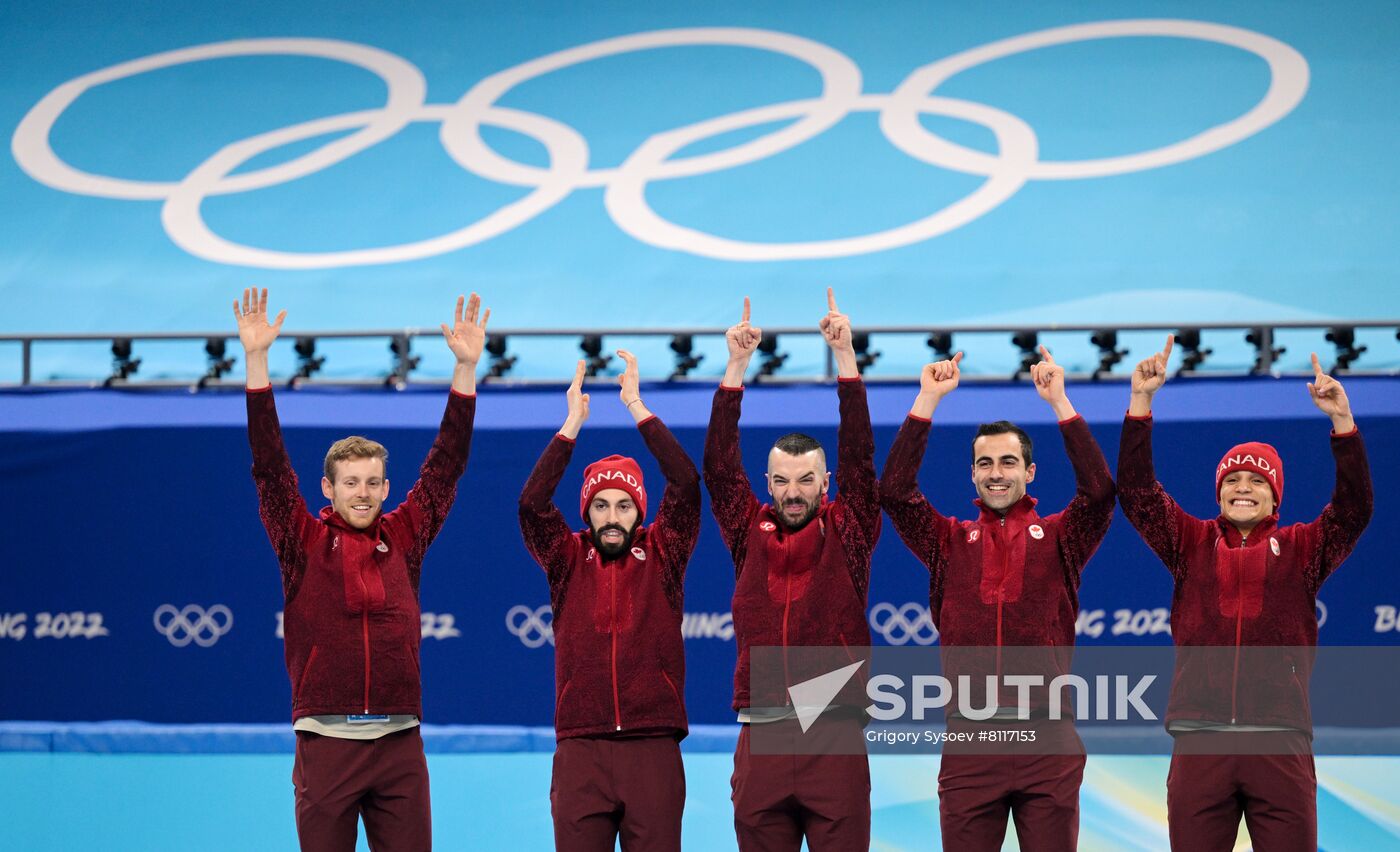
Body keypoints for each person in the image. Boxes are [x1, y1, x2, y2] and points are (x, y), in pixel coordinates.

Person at [236, 287, 487, 852]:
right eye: (351, 482)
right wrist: (256, 363)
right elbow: (270, 467)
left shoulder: (405, 535)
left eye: (373, 482)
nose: (364, 492)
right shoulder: (300, 540)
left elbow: (445, 468)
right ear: (328, 488)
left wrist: (465, 373)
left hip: (400, 746)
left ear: (386, 487)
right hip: (326, 746)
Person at [1117, 339, 1373, 851]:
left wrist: (1342, 422)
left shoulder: (1303, 547)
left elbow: (1353, 509)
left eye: (1257, 480)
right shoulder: (1188, 542)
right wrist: (1141, 404)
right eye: (1232, 478)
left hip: (1280, 742)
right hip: (1199, 744)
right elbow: (1138, 493)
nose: (1243, 487)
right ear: (1217, 491)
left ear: (1275, 494)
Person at [879, 347, 1115, 852]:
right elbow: (895, 492)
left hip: (1047, 742)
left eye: (1009, 462)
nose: (996, 473)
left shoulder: (1061, 539)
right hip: (971, 743)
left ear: (1030, 472)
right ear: (972, 474)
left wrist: (1061, 404)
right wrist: (927, 400)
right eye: (985, 463)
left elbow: (1098, 492)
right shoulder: (948, 542)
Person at [703, 289, 881, 852]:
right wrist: (735, 368)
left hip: (834, 733)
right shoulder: (745, 531)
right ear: (768, 482)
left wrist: (845, 359)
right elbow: (718, 467)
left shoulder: (848, 532)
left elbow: (859, 456)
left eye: (806, 480)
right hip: (762, 736)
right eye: (781, 480)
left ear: (825, 485)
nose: (793, 492)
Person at [518, 351, 701, 852]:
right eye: (601, 506)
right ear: (587, 512)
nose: (613, 516)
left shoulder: (664, 553)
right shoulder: (565, 558)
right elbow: (532, 505)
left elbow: (686, 484)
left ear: (639, 511)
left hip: (653, 747)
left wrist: (637, 406)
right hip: (581, 748)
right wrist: (571, 425)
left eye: (624, 505)